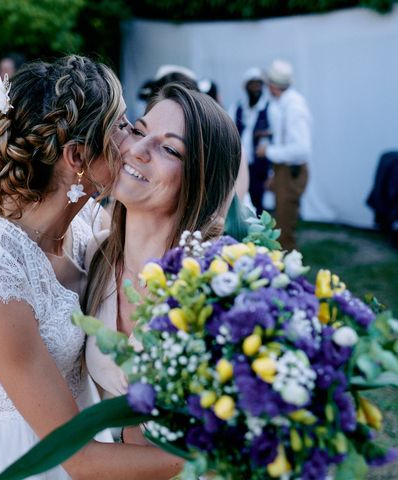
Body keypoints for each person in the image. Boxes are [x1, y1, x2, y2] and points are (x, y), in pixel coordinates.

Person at [0, 55, 182, 480]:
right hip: (35, 457)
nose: (132, 140)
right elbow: (79, 460)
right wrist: (211, 456)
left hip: (95, 429)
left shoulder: (89, 223)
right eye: (121, 125)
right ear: (77, 155)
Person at [85, 84, 242, 445]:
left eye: (169, 148)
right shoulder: (95, 256)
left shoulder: (217, 283)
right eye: (138, 131)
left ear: (202, 180)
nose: (138, 151)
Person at [256, 59, 312, 252]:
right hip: (283, 170)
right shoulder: (282, 104)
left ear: (272, 85)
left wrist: (268, 151)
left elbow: (301, 149)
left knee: (284, 229)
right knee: (279, 224)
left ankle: (288, 271)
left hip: (291, 172)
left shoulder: (294, 107)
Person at [228, 67, 272, 213]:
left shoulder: (270, 109)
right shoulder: (237, 108)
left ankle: (258, 234)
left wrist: (272, 173)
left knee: (258, 203)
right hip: (240, 164)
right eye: (252, 84)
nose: (255, 88)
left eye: (258, 84)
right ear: (245, 87)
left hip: (260, 167)